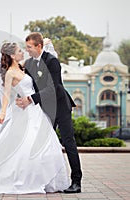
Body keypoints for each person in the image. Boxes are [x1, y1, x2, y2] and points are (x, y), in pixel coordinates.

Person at [0, 42, 69, 194]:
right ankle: (20, 178)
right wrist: (2, 112)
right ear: (12, 55)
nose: (23, 52)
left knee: (45, 143)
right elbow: (7, 94)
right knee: (25, 145)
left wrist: (45, 45)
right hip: (22, 111)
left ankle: (44, 179)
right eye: (20, 51)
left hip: (34, 109)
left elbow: (39, 60)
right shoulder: (10, 73)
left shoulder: (22, 67)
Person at [15, 32, 82, 193]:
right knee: (44, 144)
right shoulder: (29, 63)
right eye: (26, 47)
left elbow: (54, 88)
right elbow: (27, 83)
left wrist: (31, 99)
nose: (27, 50)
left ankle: (76, 181)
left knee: (68, 141)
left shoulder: (52, 62)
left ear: (39, 46)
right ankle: (45, 180)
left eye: (29, 47)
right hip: (44, 110)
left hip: (60, 107)